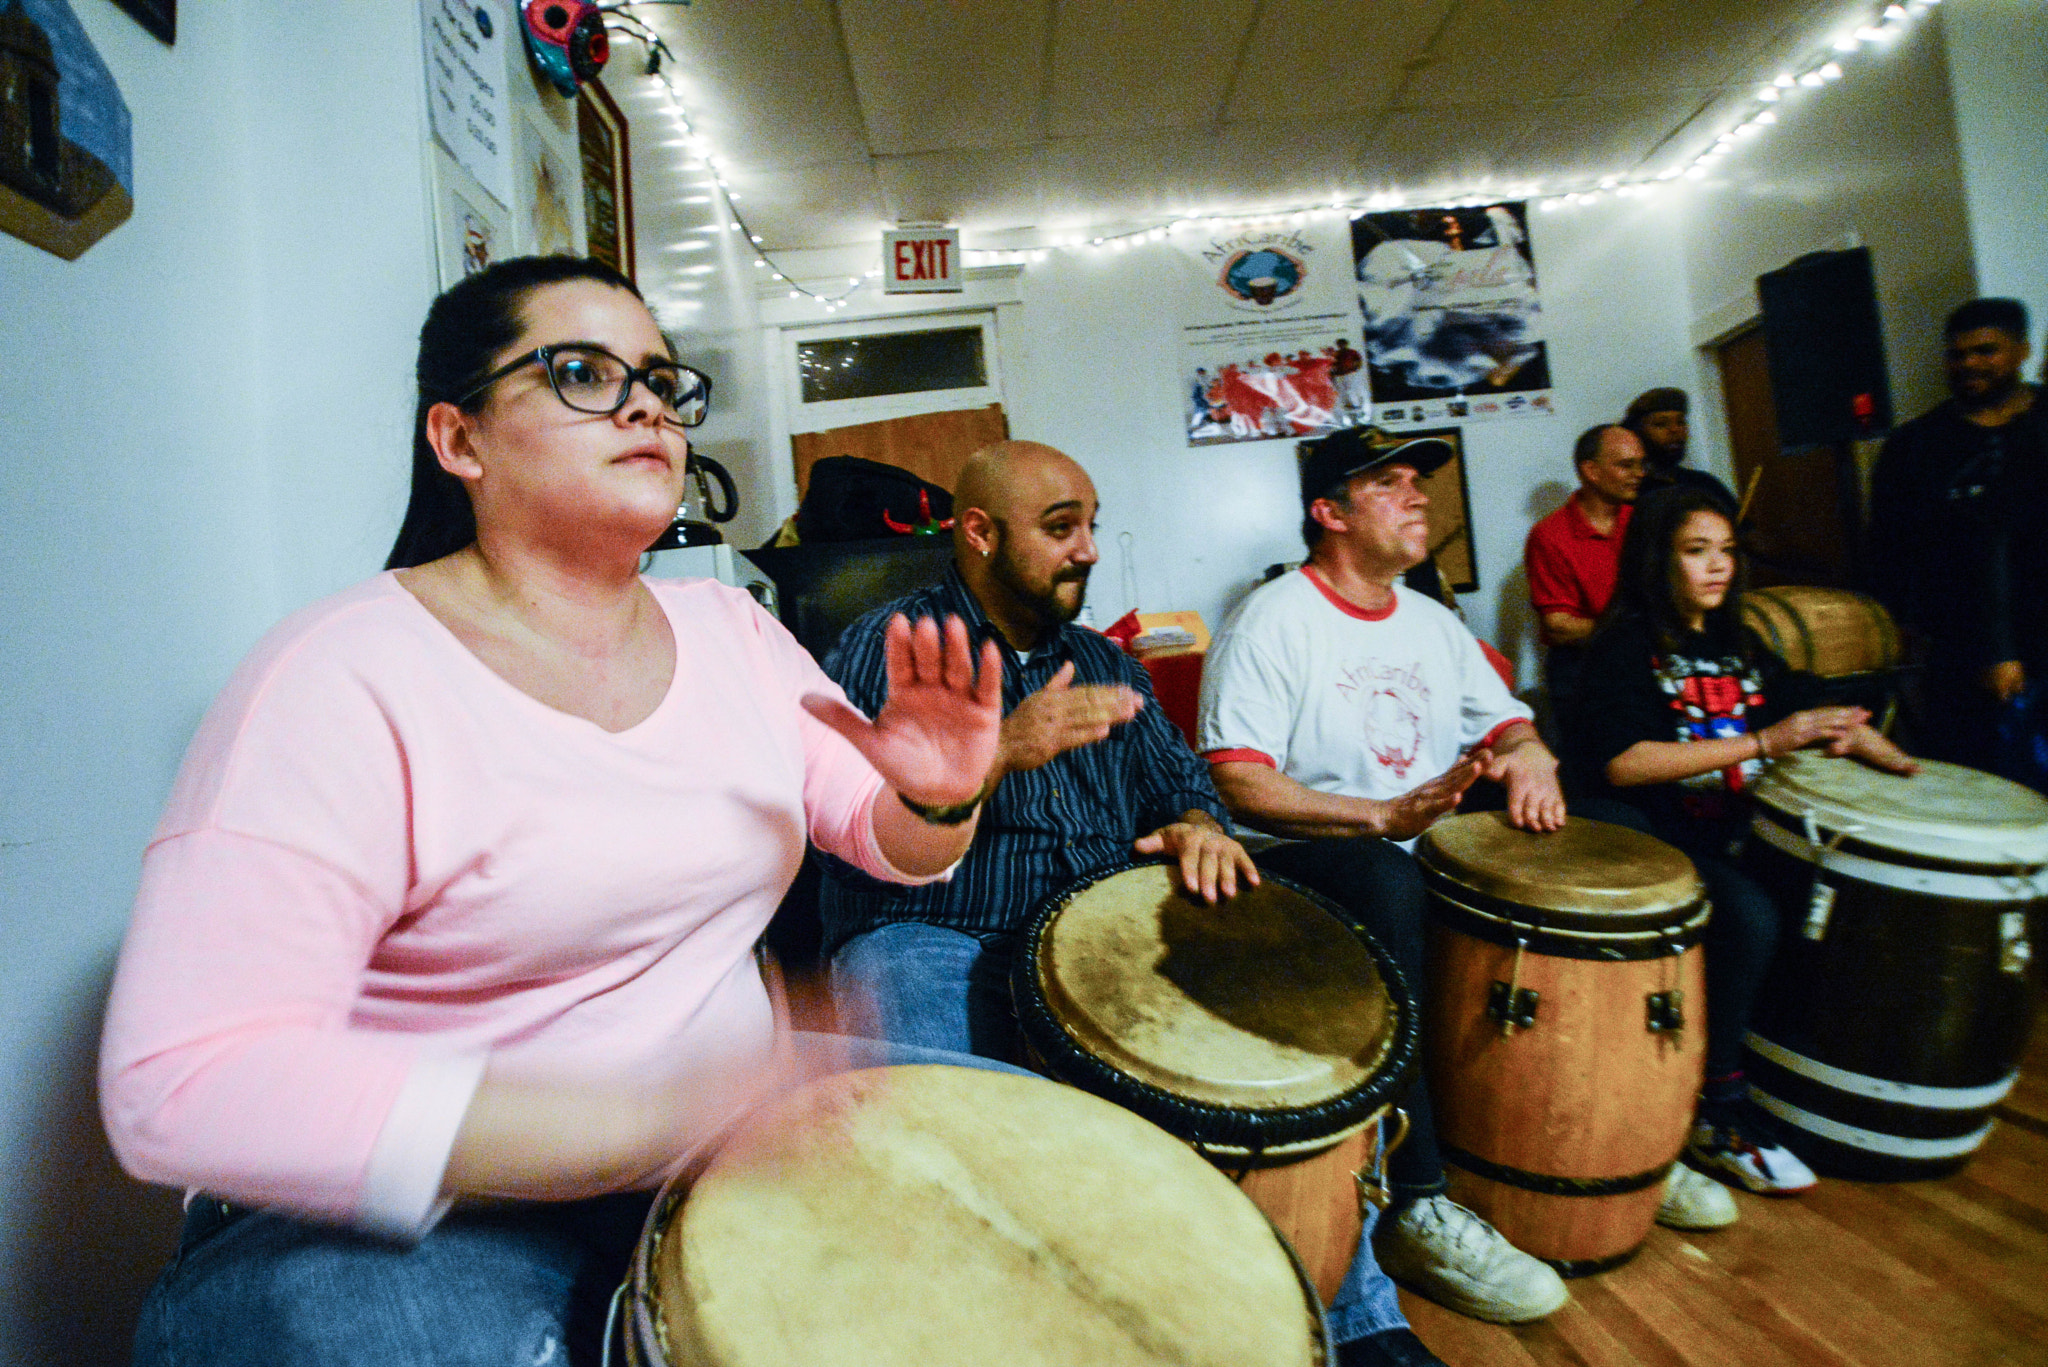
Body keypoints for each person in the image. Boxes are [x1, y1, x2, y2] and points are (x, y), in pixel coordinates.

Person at [97, 256, 1014, 1365]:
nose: (643, 404)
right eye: (580, 370)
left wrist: (936, 787)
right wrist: (640, 1119)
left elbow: (889, 843)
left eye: (662, 381)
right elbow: (181, 1086)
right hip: (453, 1202)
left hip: (717, 1136)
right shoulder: (337, 677)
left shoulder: (731, 632)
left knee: (1054, 1185)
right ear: (459, 439)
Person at [815, 439, 1445, 1367]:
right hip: (940, 929)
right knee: (928, 1075)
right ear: (981, 534)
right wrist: (995, 754)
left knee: (1271, 1031)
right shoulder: (893, 643)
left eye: (1092, 525)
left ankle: (1357, 1321)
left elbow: (1181, 781)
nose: (1090, 550)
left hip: (1104, 928)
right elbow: (845, 809)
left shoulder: (1109, 664)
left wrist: (1197, 824)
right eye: (1061, 528)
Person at [1198, 424, 1597, 1326]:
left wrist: (1531, 755)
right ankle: (1415, 1200)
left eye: (1419, 481)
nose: (1418, 495)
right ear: (1329, 512)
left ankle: (1577, 1142)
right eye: (1389, 484)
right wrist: (1378, 816)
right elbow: (1236, 777)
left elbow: (1506, 721)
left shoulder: (1430, 619)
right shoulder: (1272, 621)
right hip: (1301, 863)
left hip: (1408, 847)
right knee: (1384, 878)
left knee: (1568, 853)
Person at [1567, 485, 1917, 1195]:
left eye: (1726, 550)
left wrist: (1863, 735)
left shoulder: (1737, 645)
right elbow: (1623, 760)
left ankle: (1787, 1072)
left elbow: (1802, 699)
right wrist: (1761, 739)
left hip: (1733, 833)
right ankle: (1717, 1111)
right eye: (1696, 551)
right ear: (1656, 559)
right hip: (1654, 845)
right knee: (1749, 915)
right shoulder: (1626, 647)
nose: (1717, 566)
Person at [1868, 298, 2046, 771]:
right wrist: (1897, 627)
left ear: (2022, 350)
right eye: (1958, 354)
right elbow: (1886, 551)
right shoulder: (1912, 447)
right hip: (1956, 653)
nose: (1969, 364)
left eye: (1986, 351)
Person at [1524, 424, 1645, 715]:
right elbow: (1559, 627)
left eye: (1641, 464)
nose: (1640, 474)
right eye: (1627, 466)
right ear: (1591, 471)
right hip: (1584, 670)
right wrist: (1639, 627)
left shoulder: (1645, 521)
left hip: (1643, 661)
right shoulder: (1549, 535)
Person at [1624, 387, 1736, 503]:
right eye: (1661, 424)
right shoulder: (1631, 488)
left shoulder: (1704, 484)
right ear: (1638, 432)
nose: (1674, 430)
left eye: (1680, 422)